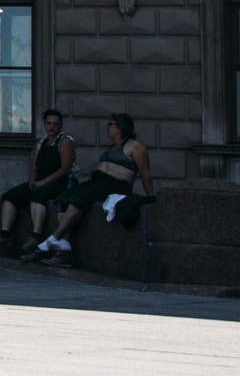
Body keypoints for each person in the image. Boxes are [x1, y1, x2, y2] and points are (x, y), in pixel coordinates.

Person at [34, 112, 155, 265]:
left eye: (110, 124)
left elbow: (145, 173)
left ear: (120, 127)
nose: (107, 128)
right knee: (62, 198)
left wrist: (151, 198)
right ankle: (64, 246)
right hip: (97, 181)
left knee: (78, 199)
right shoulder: (112, 146)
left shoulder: (134, 146)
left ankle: (54, 238)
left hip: (115, 185)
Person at [0, 108, 75, 256]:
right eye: (49, 123)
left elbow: (65, 169)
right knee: (11, 195)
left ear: (60, 125)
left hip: (62, 182)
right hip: (41, 180)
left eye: (55, 124)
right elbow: (34, 167)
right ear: (44, 124)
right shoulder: (41, 143)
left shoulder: (65, 141)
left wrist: (44, 182)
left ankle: (36, 236)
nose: (51, 127)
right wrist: (32, 179)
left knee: (38, 195)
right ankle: (4, 235)